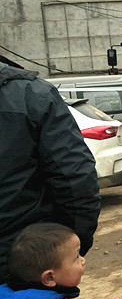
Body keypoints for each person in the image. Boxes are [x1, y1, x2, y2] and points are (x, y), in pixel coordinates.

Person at [0, 55, 101, 284]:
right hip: (27, 270)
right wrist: (64, 253)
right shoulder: (31, 95)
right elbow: (76, 181)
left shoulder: (31, 95)